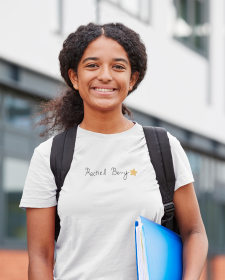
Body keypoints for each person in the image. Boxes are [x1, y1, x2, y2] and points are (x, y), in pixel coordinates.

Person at [19, 22, 208, 280]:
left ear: (132, 79)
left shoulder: (163, 147)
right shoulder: (49, 156)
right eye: (92, 65)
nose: (105, 75)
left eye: (118, 66)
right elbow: (40, 255)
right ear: (74, 77)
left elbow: (194, 232)